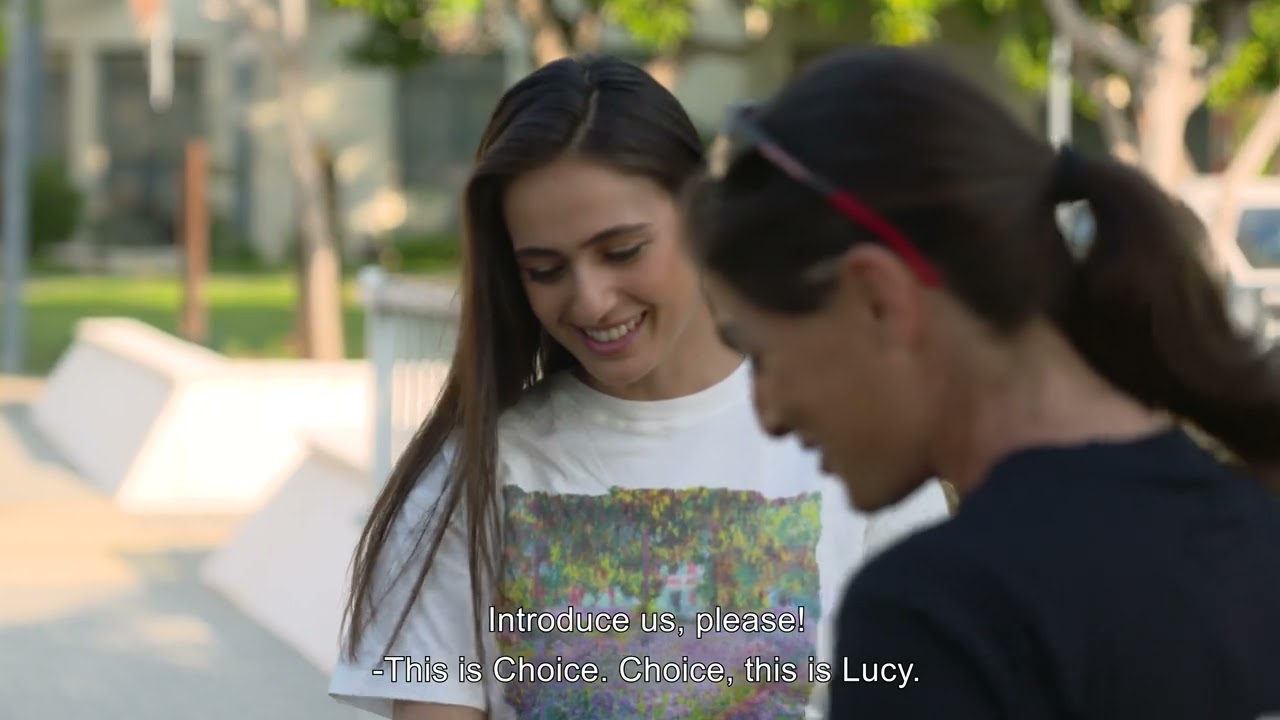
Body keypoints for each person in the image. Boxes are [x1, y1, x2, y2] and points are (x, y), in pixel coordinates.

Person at [327, 54, 951, 720]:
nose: (591, 300)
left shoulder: (859, 440)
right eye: (545, 269)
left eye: (622, 251)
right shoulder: (469, 480)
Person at [683, 44, 1280, 719]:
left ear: (879, 299)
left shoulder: (938, 612)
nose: (769, 415)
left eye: (763, 356)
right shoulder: (1257, 532)